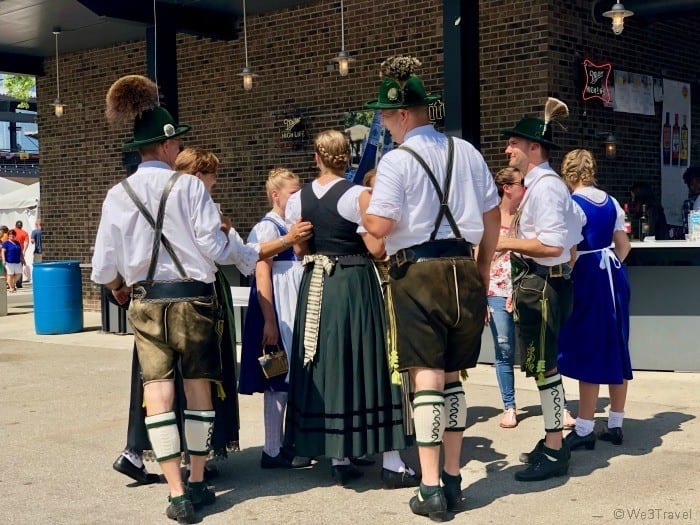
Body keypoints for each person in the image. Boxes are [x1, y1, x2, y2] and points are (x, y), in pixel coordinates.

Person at [92, 75, 312, 524]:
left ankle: (175, 493)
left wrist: (120, 287)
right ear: (168, 146)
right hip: (194, 300)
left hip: (147, 302)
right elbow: (214, 249)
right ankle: (196, 480)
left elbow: (102, 268)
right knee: (198, 391)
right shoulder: (190, 188)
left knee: (156, 392)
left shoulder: (117, 195)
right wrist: (248, 255)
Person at [362, 56, 500, 520]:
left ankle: (430, 487)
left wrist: (361, 206)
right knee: (456, 376)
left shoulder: (397, 161)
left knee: (425, 377)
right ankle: (455, 477)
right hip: (465, 267)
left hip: (417, 271)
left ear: (405, 114)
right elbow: (492, 216)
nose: (382, 123)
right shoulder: (469, 152)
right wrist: (481, 268)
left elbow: (380, 226)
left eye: (384, 115)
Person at [284, 129, 418, 490]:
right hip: (355, 281)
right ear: (348, 157)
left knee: (329, 362)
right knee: (368, 360)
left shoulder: (298, 199)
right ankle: (390, 460)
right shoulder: (359, 195)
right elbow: (376, 248)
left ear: (317, 157)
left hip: (316, 284)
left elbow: (299, 250)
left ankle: (340, 456)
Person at [496, 98, 583, 482]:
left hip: (544, 284)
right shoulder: (544, 185)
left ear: (534, 148)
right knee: (543, 367)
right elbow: (575, 232)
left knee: (545, 368)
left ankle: (554, 448)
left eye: (514, 143)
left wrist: (504, 244)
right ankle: (553, 441)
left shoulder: (545, 187)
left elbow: (551, 244)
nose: (507, 150)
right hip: (545, 282)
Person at [558, 149, 632, 449]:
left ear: (568, 174)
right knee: (616, 344)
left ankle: (586, 428)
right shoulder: (611, 201)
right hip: (614, 274)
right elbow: (624, 246)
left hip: (588, 276)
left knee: (588, 347)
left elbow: (571, 251)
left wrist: (569, 274)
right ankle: (615, 422)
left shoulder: (572, 205)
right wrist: (611, 266)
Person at [239, 167, 309, 469]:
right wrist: (269, 319)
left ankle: (291, 441)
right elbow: (261, 271)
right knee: (276, 375)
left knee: (293, 373)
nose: (297, 199)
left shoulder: (296, 225)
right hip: (278, 303)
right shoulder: (266, 228)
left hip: (296, 299)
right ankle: (271, 448)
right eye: (292, 193)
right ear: (276, 195)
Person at [486, 167, 525, 429]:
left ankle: (559, 405)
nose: (526, 188)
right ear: (508, 188)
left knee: (540, 347)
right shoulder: (489, 218)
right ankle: (509, 406)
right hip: (496, 291)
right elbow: (479, 257)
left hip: (524, 287)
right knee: (504, 350)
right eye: (521, 183)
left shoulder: (526, 217)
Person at [12, 220, 28, 287]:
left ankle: (11, 283)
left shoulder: (11, 231)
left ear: (15, 225)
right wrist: (24, 252)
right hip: (19, 252)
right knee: (19, 268)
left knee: (11, 268)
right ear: (21, 226)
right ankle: (18, 284)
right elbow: (26, 243)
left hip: (12, 252)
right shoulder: (24, 233)